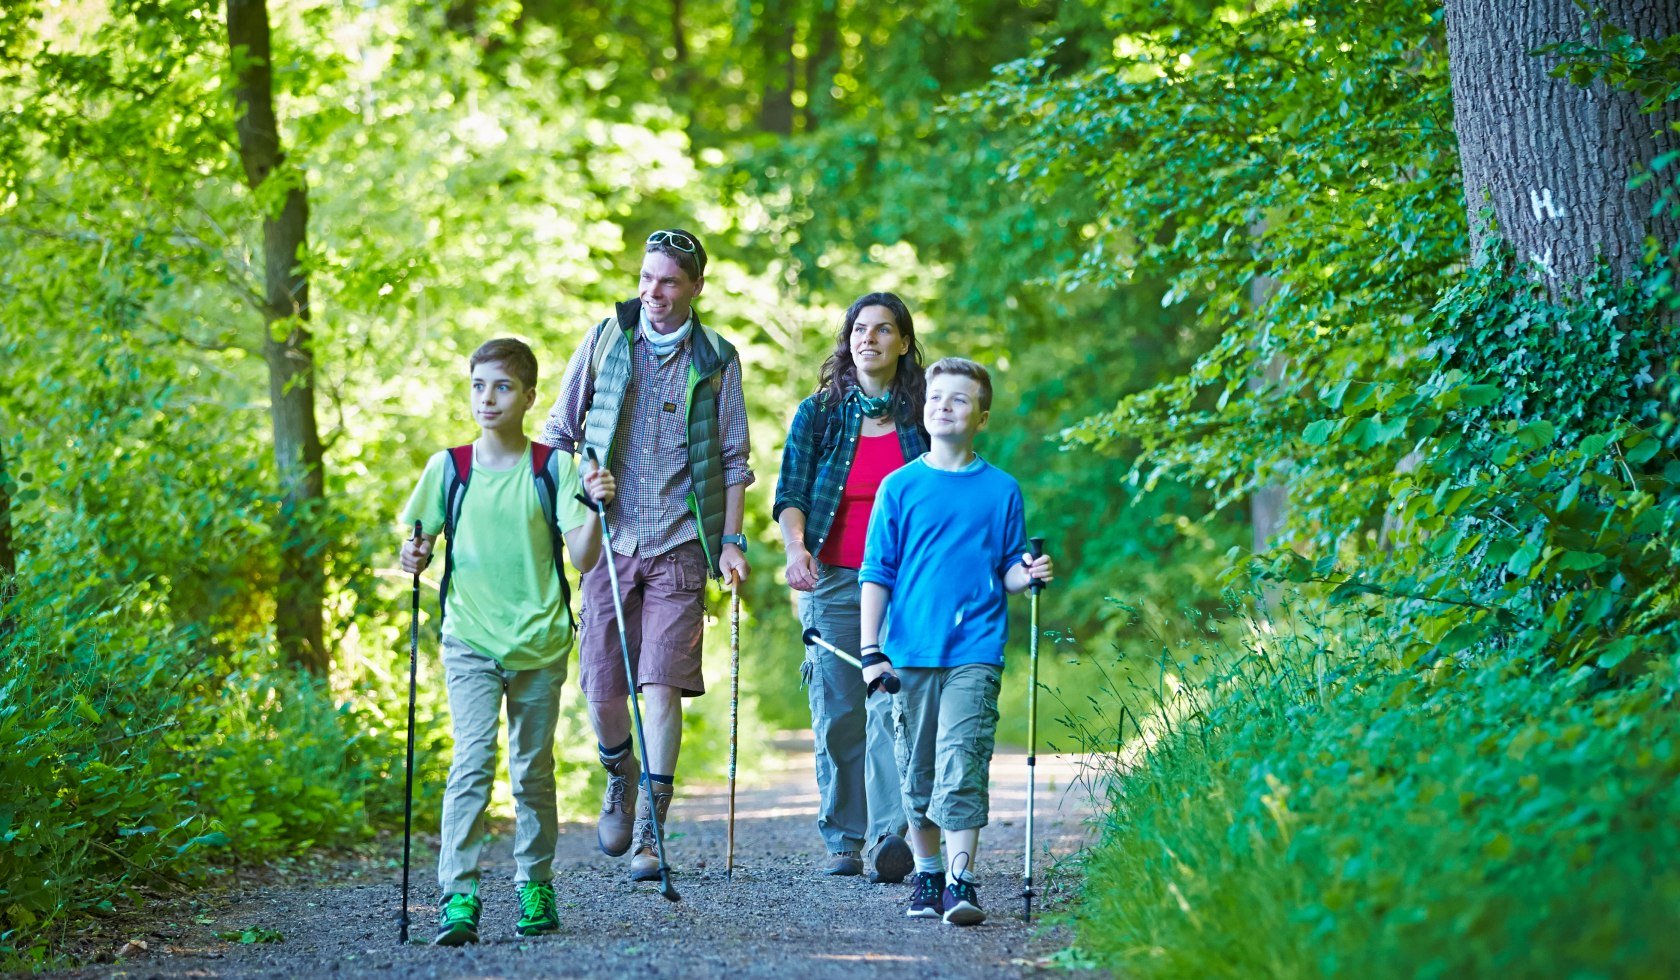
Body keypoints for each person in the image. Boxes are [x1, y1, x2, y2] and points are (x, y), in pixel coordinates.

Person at [542, 228, 752, 883]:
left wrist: (732, 541)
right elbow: (557, 435)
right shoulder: (606, 339)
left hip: (681, 546)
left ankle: (653, 834)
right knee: (603, 688)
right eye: (645, 278)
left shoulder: (716, 356)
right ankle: (619, 775)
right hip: (607, 541)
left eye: (666, 281)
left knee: (660, 685)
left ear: (694, 287)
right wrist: (581, 487)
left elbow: (734, 458)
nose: (652, 292)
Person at [398, 338, 615, 945]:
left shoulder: (556, 468)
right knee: (471, 763)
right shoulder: (449, 468)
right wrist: (413, 554)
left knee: (531, 770)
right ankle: (458, 896)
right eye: (477, 386)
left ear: (528, 396)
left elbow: (584, 557)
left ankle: (535, 883)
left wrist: (596, 507)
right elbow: (414, 548)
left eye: (501, 387)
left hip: (541, 641)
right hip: (469, 637)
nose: (487, 399)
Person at [857, 356, 1055, 926]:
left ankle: (960, 881)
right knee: (916, 769)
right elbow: (878, 572)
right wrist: (871, 650)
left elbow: (1008, 571)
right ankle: (926, 872)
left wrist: (1029, 574)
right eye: (936, 396)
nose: (944, 405)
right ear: (924, 410)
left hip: (976, 649)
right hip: (910, 652)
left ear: (981, 416)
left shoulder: (1001, 490)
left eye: (959, 399)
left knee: (962, 761)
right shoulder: (900, 487)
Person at [774, 292, 927, 882]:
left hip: (905, 583)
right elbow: (790, 495)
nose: (870, 339)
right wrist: (796, 549)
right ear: (848, 341)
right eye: (859, 330)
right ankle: (843, 838)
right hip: (833, 580)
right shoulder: (818, 414)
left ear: (903, 343)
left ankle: (893, 836)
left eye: (884, 330)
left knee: (891, 703)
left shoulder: (923, 416)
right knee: (838, 710)